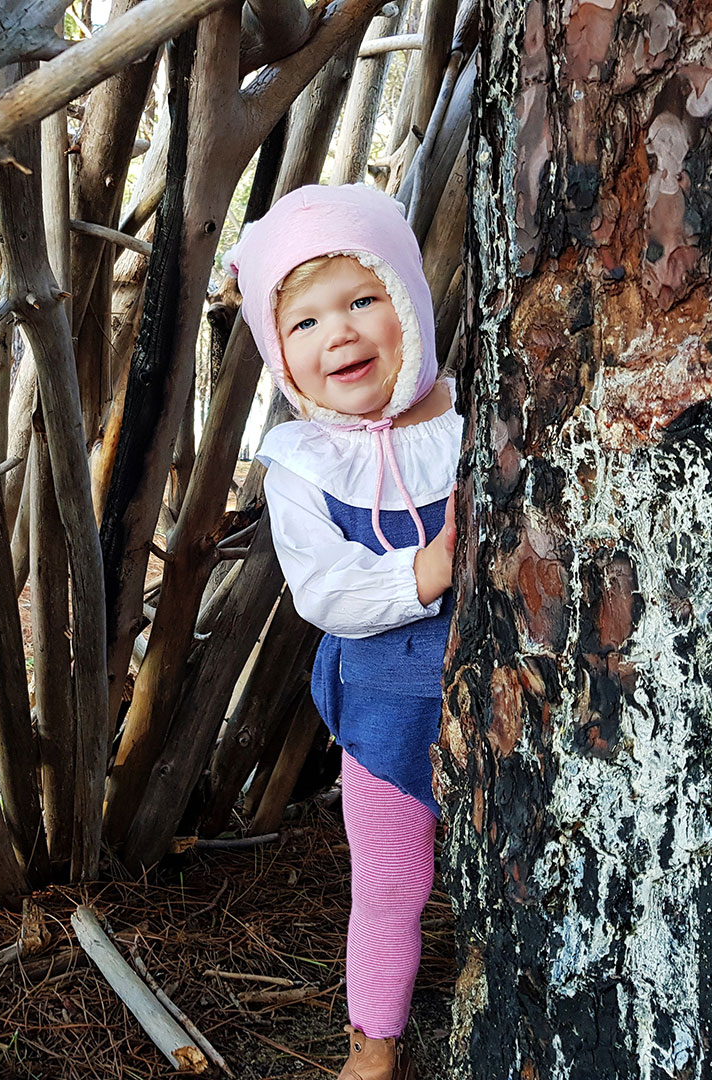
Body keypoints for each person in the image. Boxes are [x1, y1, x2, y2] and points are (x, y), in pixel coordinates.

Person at [226, 183, 461, 1080]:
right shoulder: (301, 464)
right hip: (385, 708)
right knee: (391, 881)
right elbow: (323, 590)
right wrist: (421, 573)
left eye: (364, 299)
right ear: (280, 354)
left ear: (407, 301)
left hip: (502, 694)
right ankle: (373, 1044)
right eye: (306, 321)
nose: (342, 335)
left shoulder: (472, 427)